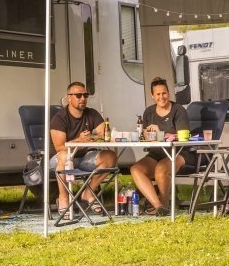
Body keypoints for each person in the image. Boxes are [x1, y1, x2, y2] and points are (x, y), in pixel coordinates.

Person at [49, 82, 117, 218]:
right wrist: (79, 140)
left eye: (85, 95)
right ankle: (63, 198)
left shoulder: (92, 113)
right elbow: (60, 147)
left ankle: (89, 192)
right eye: (78, 95)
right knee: (64, 156)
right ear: (69, 97)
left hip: (84, 157)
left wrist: (94, 137)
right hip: (61, 160)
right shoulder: (59, 118)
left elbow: (104, 134)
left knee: (110, 156)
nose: (82, 99)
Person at [131, 77, 195, 216]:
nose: (162, 97)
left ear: (169, 94)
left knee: (161, 168)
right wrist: (147, 134)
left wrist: (160, 132)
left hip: (179, 153)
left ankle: (165, 203)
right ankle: (159, 206)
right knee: (136, 169)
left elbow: (183, 136)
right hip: (156, 153)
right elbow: (146, 135)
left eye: (164, 93)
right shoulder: (149, 112)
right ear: (152, 96)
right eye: (158, 94)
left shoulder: (178, 110)